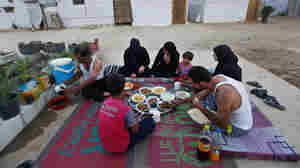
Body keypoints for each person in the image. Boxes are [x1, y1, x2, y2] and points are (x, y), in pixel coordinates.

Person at [98, 73, 156, 153]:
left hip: (105, 145)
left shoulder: (104, 103)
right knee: (150, 122)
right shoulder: (126, 109)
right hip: (121, 146)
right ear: (123, 88)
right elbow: (135, 130)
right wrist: (136, 119)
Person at [188, 66, 253, 137]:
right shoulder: (217, 78)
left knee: (203, 125)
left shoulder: (224, 94)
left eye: (193, 83)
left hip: (237, 128)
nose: (192, 86)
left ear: (202, 83)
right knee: (209, 97)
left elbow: (222, 124)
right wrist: (195, 98)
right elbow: (205, 92)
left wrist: (200, 108)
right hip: (234, 114)